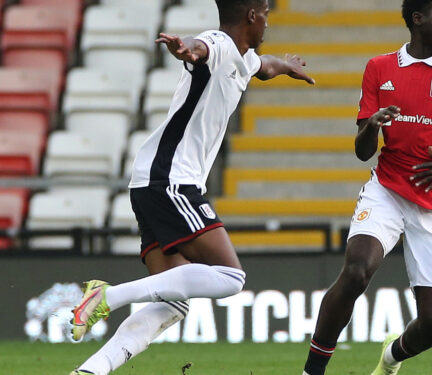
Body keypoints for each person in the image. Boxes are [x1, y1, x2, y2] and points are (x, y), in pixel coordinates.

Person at [68, 1, 314, 374]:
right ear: (251, 16)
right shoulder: (217, 45)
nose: (267, 21)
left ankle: (90, 371)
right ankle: (107, 296)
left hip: (152, 180)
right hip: (172, 180)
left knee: (173, 302)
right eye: (265, 12)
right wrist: (186, 48)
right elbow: (200, 48)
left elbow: (263, 68)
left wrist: (287, 66)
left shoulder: (244, 59)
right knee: (231, 277)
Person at [301, 0, 432, 374]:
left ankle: (390, 358)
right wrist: (372, 127)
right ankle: (312, 371)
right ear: (418, 19)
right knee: (356, 270)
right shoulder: (379, 68)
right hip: (388, 189)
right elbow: (363, 152)